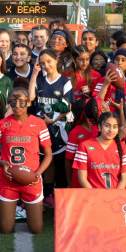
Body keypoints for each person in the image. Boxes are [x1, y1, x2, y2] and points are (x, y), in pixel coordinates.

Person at [0, 87, 53, 234]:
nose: (17, 106)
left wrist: (38, 174)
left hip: (32, 180)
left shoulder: (39, 124)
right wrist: (3, 163)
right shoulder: (2, 124)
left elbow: (48, 154)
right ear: (9, 103)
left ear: (28, 103)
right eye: (13, 102)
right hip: (8, 180)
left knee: (36, 229)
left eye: (21, 102)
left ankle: (19, 212)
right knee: (6, 229)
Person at [29, 49, 74, 204]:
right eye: (42, 63)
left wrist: (53, 121)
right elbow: (30, 97)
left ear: (56, 60)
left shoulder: (65, 82)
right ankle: (47, 194)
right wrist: (34, 75)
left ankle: (60, 195)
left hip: (59, 129)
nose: (46, 65)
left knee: (60, 162)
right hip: (41, 128)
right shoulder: (39, 80)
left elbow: (67, 106)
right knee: (45, 162)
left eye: (49, 61)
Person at [72, 111, 126, 189]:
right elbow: (82, 179)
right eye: (107, 126)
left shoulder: (124, 148)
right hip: (92, 198)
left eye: (115, 127)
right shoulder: (84, 146)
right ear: (99, 127)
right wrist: (96, 197)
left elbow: (123, 180)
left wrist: (115, 197)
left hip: (115, 198)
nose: (111, 130)